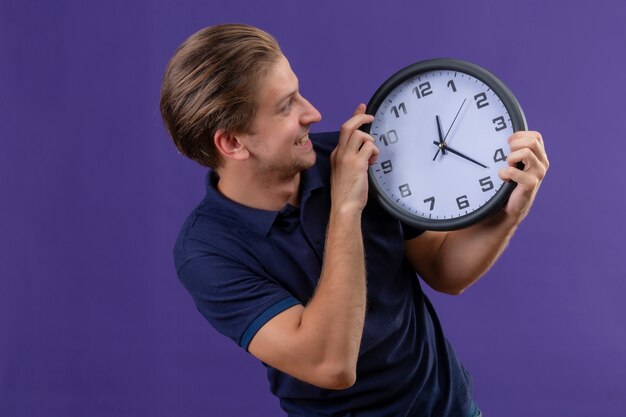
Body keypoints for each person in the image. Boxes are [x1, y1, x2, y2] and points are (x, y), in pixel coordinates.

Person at [159, 24, 548, 416]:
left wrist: (510, 212)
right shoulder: (206, 252)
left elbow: (443, 270)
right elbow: (331, 365)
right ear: (232, 143)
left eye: (299, 92)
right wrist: (346, 205)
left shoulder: (347, 157)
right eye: (286, 105)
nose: (312, 113)